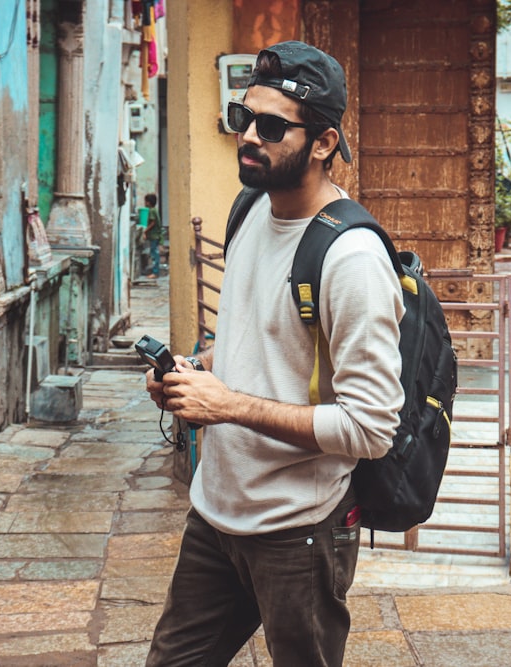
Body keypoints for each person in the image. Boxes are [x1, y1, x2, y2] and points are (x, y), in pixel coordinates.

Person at [144, 41, 405, 667]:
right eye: (243, 118)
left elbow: (371, 429)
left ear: (322, 142)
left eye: (269, 126)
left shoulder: (353, 261)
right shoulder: (249, 209)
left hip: (300, 529)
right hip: (217, 514)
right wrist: (193, 378)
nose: (247, 137)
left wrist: (227, 405)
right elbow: (253, 349)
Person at [143, 192, 165, 277]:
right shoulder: (155, 210)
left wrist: (145, 231)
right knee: (154, 253)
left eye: (145, 201)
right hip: (156, 235)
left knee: (154, 253)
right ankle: (154, 271)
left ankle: (155, 272)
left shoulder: (152, 211)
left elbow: (153, 222)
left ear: (148, 202)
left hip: (154, 236)